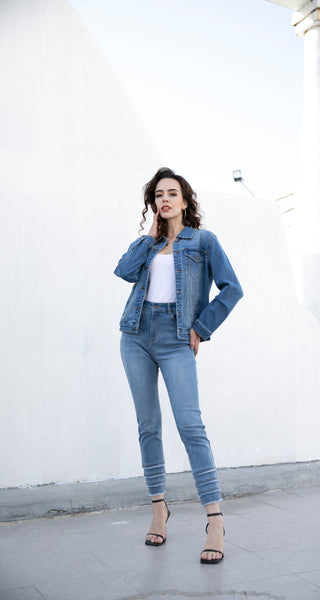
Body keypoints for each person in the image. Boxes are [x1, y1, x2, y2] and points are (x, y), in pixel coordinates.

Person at [114, 167, 243, 564]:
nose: (165, 199)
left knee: (190, 426)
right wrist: (149, 236)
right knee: (148, 426)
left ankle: (215, 521)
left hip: (176, 338)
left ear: (185, 201)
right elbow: (124, 272)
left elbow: (232, 289)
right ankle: (159, 509)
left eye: (172, 193)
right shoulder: (148, 244)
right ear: (153, 204)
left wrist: (201, 327)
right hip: (136, 335)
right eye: (158, 195)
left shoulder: (204, 241)